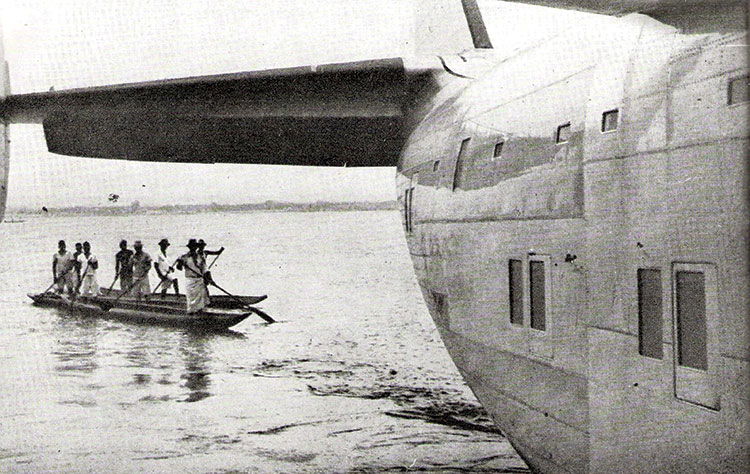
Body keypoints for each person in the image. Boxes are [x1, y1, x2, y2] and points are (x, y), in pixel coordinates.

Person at [176, 239, 208, 313]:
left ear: (196, 247)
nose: (193, 248)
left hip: (199, 280)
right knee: (191, 301)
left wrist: (207, 278)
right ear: (189, 247)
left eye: (195, 247)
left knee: (200, 302)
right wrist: (180, 263)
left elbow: (205, 269)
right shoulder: (184, 257)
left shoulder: (200, 257)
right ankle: (191, 315)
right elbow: (179, 268)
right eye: (192, 247)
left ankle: (200, 315)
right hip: (190, 281)